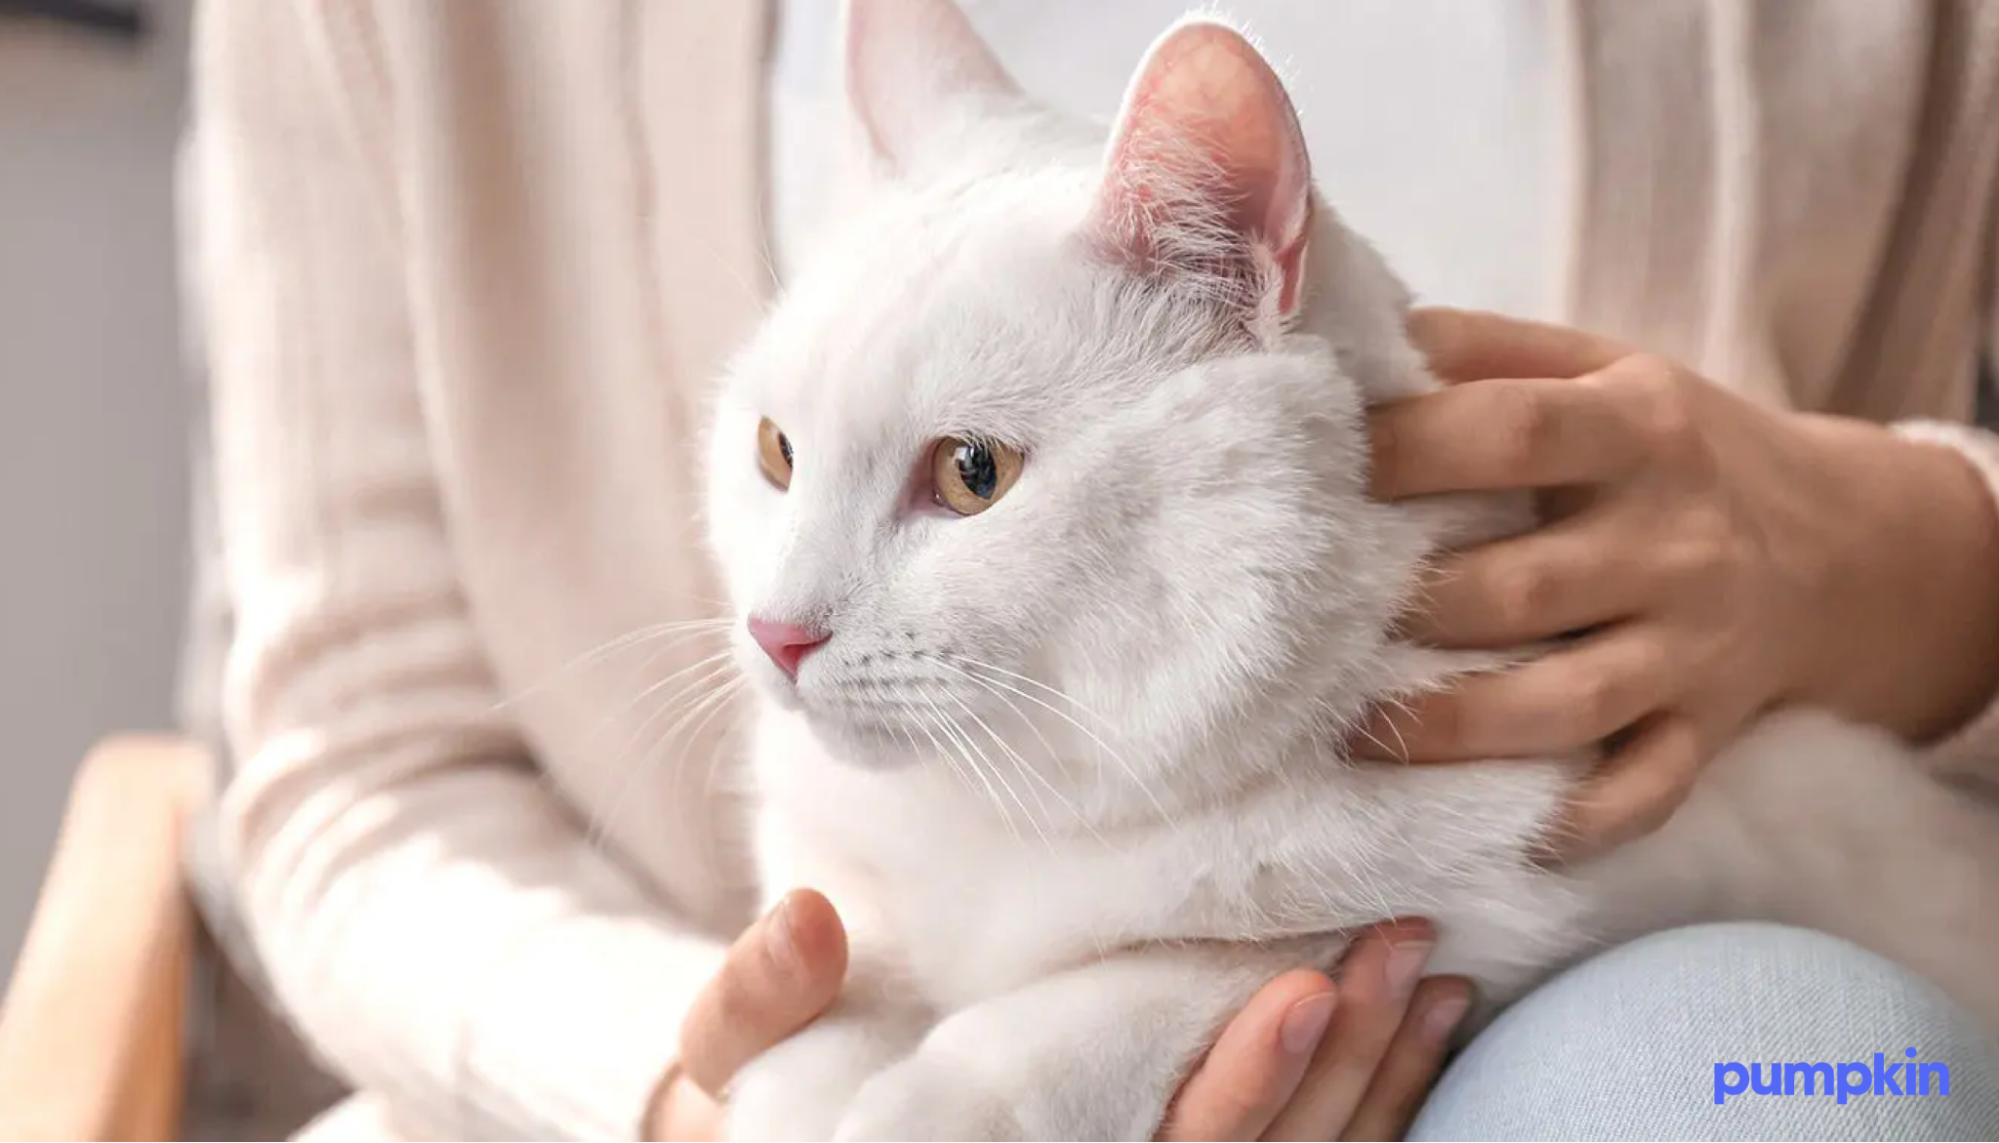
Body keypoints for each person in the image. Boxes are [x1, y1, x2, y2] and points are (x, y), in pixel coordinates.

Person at [181, 1, 1999, 1139]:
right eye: (778, 457)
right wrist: (692, 1090)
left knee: (1814, 1077)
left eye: (968, 471)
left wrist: (1926, 552)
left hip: (1689, 1019)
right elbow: (360, 772)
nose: (783, 620)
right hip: (660, 1074)